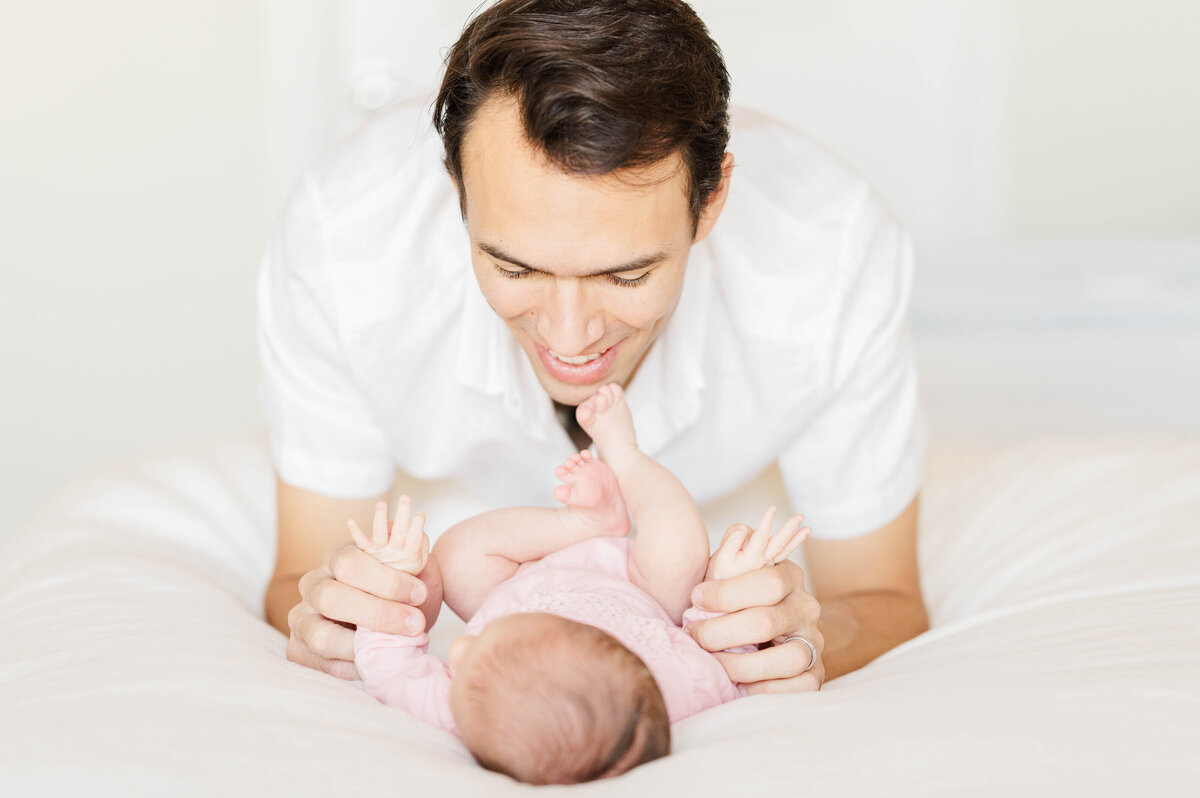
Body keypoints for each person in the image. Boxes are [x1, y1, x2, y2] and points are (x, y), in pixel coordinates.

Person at [260, 0, 928, 692]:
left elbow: (881, 599)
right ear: (456, 188)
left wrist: (801, 639)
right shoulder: (341, 245)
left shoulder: (836, 255)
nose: (569, 335)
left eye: (627, 274)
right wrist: (339, 620)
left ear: (712, 199)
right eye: (514, 269)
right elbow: (298, 578)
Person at [352, 384, 808, 784]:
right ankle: (624, 453)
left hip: (523, 582)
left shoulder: (456, 713)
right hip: (638, 590)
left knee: (455, 559)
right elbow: (723, 657)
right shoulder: (671, 695)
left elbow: (388, 669)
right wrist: (732, 583)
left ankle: (582, 522)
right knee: (679, 550)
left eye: (468, 659)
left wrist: (394, 575)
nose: (457, 650)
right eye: (482, 650)